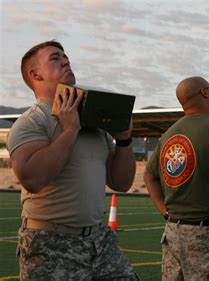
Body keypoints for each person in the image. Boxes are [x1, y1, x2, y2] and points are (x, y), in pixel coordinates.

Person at [7, 40, 138, 279]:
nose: (66, 60)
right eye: (55, 58)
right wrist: (69, 131)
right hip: (51, 244)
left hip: (100, 240)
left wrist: (124, 141)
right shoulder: (31, 122)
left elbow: (121, 183)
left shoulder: (95, 123)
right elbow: (33, 179)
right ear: (35, 74)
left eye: (66, 56)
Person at [143, 76, 209, 280]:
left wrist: (164, 210)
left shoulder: (168, 135)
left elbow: (149, 176)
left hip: (173, 231)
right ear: (205, 92)